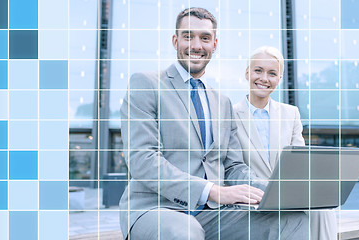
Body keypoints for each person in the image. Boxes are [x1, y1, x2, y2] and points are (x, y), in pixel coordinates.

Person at [119, 7, 309, 240]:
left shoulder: (222, 103)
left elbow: (234, 167)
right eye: (188, 36)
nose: (197, 45)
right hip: (158, 208)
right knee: (185, 233)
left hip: (212, 214)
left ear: (214, 45)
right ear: (175, 40)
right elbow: (142, 159)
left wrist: (275, 190)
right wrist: (213, 191)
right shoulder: (146, 84)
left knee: (292, 219)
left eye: (205, 38)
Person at [233, 46, 338, 239]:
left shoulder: (291, 114)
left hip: (287, 193)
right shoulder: (228, 115)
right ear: (247, 73)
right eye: (258, 70)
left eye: (272, 73)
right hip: (250, 197)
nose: (264, 78)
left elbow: (299, 164)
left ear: (279, 80)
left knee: (323, 209)